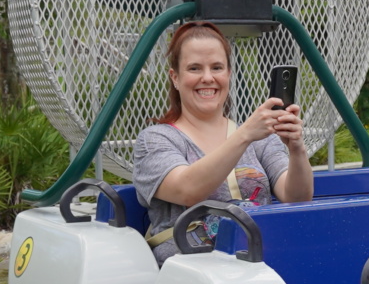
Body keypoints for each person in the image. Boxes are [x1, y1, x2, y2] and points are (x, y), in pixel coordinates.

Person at [129, 21, 312, 260]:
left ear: (228, 74)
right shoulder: (156, 140)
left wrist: (297, 149)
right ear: (175, 77)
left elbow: (297, 198)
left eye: (216, 67)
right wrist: (244, 135)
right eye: (194, 68)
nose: (207, 77)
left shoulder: (260, 138)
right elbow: (188, 190)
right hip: (190, 269)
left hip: (258, 264)